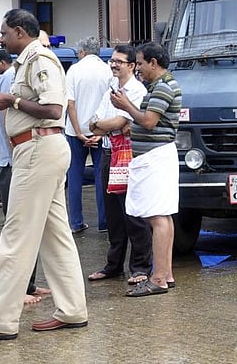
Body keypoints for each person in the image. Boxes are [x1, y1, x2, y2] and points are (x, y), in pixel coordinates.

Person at [0, 8, 87, 341]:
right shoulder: (28, 62)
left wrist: (11, 101)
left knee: (16, 236)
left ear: (19, 31)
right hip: (39, 150)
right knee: (55, 235)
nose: (1, 40)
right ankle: (73, 310)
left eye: (4, 34)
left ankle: (1, 320)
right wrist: (8, 101)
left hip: (38, 149)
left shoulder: (39, 60)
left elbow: (53, 109)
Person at [0, 49, 50, 306]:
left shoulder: (15, 76)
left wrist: (15, 157)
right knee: (21, 225)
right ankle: (25, 285)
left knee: (21, 226)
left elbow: (13, 117)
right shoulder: (12, 75)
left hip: (15, 159)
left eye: (5, 33)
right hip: (11, 159)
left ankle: (24, 286)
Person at [111, 42, 182, 297]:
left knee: (156, 217)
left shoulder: (163, 87)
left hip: (155, 157)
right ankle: (167, 274)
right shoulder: (161, 86)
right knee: (163, 215)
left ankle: (159, 278)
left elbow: (150, 122)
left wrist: (126, 106)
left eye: (140, 63)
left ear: (153, 63)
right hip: (157, 156)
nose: (138, 68)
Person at [85, 44, 153, 285]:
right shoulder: (111, 89)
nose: (113, 64)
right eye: (112, 61)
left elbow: (118, 122)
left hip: (128, 157)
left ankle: (141, 267)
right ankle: (113, 265)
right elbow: (94, 121)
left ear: (132, 66)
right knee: (112, 214)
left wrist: (103, 124)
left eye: (119, 61)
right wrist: (103, 125)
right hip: (107, 153)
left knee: (133, 213)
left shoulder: (136, 91)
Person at [64, 36, 112, 234]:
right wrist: (100, 132)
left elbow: (70, 104)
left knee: (74, 176)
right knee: (102, 177)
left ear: (82, 51)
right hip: (101, 131)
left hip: (76, 132)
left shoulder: (74, 70)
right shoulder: (108, 70)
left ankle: (76, 223)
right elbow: (111, 104)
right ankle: (104, 222)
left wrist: (77, 131)